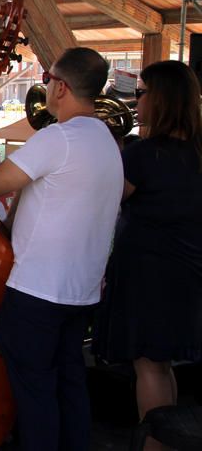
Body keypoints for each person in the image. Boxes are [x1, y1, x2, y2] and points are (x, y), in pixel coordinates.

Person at [0, 47, 123, 451]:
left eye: (49, 80)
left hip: (37, 293)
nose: (45, 86)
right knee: (69, 386)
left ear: (63, 88)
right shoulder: (106, 139)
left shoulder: (59, 138)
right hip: (81, 293)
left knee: (34, 396)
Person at [93, 60, 202, 447]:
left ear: (160, 100)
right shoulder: (194, 152)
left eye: (140, 93)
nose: (134, 101)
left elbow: (105, 201)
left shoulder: (145, 155)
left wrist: (108, 149)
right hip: (182, 274)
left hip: (148, 274)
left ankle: (154, 446)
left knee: (149, 369)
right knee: (162, 367)